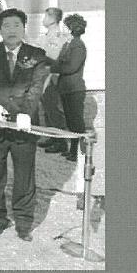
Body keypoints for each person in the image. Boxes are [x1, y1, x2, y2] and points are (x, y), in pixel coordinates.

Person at [0, 8, 48, 242]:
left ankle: (24, 222)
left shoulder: (36, 55)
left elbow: (36, 88)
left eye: (17, 25)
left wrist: (26, 113)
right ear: (0, 29)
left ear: (24, 28)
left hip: (23, 125)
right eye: (6, 25)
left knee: (24, 175)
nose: (12, 30)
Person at [48, 14, 88, 162]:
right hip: (66, 89)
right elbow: (59, 62)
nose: (62, 29)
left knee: (77, 122)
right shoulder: (67, 44)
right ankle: (73, 151)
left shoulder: (78, 45)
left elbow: (71, 67)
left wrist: (52, 68)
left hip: (75, 89)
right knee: (71, 122)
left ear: (72, 28)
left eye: (65, 26)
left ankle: (82, 153)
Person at [37, 7, 71, 154]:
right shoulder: (44, 36)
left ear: (52, 19)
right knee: (47, 108)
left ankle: (61, 142)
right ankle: (52, 136)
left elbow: (55, 58)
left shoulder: (59, 37)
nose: (43, 20)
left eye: (45, 17)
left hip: (53, 77)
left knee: (53, 109)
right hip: (43, 75)